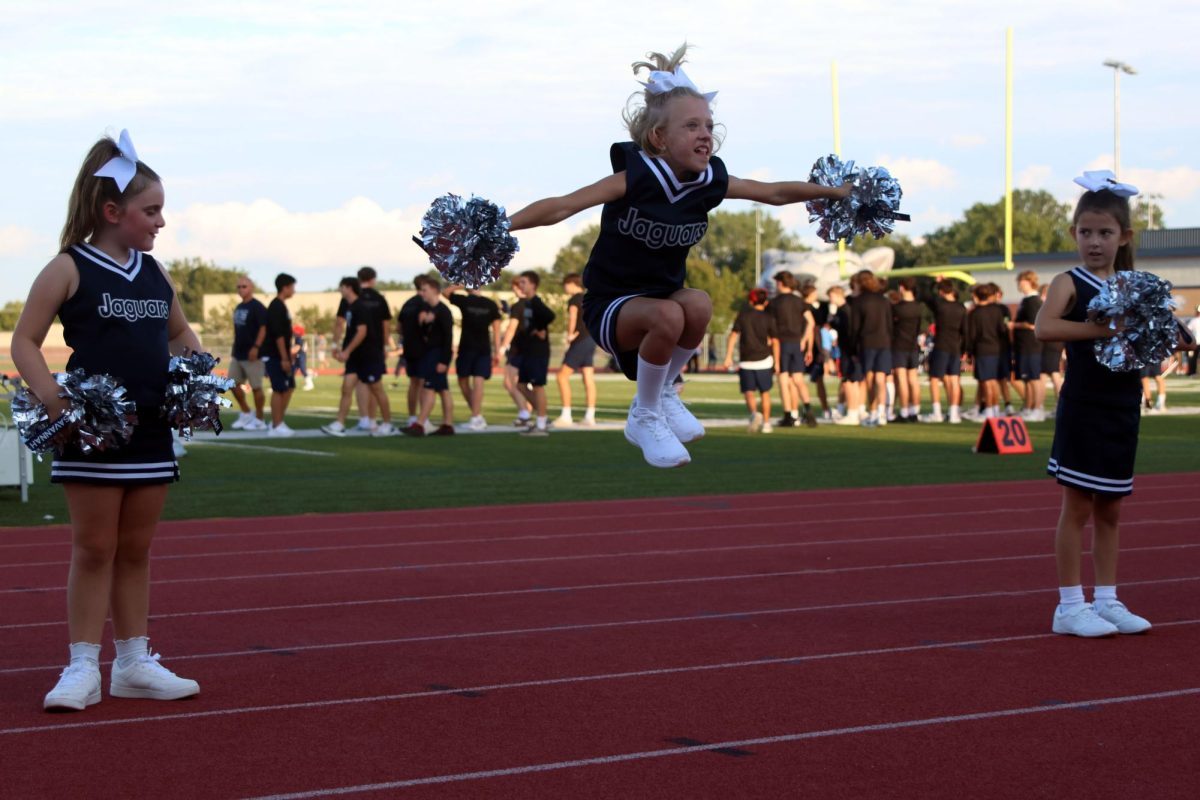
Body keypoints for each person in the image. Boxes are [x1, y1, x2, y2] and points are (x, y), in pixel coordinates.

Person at [503, 44, 849, 466]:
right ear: (659, 137)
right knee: (669, 315)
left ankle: (663, 391)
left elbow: (774, 192)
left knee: (698, 303)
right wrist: (501, 226)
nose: (705, 133)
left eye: (708, 124)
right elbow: (562, 206)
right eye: (691, 126)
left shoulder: (709, 181)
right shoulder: (635, 178)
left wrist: (834, 193)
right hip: (611, 305)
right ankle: (645, 415)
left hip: (662, 299)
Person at [10, 131, 201, 710]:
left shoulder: (154, 272)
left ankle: (134, 663)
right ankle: (81, 667)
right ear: (111, 211)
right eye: (151, 211)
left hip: (149, 430)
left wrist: (193, 380)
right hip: (92, 433)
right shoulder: (69, 268)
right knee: (94, 547)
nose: (160, 221)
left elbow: (181, 335)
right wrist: (54, 402)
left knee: (137, 549)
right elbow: (24, 342)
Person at [1035, 173, 1195, 638]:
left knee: (1111, 509)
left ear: (1124, 236)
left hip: (1123, 407)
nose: (1094, 242)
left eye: (1105, 233)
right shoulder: (1070, 282)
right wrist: (1110, 331)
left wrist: (1168, 336)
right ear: (1074, 234)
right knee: (1077, 507)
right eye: (1085, 232)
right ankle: (1069, 606)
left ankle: (1106, 600)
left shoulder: (1138, 286)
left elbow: (1178, 338)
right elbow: (1046, 328)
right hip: (1084, 405)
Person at [321, 277, 394, 437]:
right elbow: (344, 327)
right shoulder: (350, 306)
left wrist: (346, 351)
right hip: (356, 356)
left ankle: (388, 423)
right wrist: (340, 347)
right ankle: (339, 423)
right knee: (346, 387)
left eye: (341, 287)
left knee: (376, 388)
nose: (340, 290)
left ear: (348, 288)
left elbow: (362, 332)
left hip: (369, 354)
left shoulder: (360, 307)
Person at [445, 282, 503, 431]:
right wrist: (461, 284)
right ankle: (477, 416)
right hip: (466, 347)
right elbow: (445, 293)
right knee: (462, 381)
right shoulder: (464, 300)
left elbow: (496, 328)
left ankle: (475, 417)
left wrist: (498, 351)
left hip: (482, 349)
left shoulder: (490, 304)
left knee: (478, 381)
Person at [402, 275, 456, 436]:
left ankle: (419, 424)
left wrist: (444, 360)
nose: (422, 293)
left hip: (438, 353)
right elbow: (427, 334)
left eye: (425, 290)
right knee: (442, 389)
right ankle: (447, 424)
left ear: (433, 290)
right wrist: (424, 323)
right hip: (431, 352)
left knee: (429, 387)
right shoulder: (430, 311)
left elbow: (448, 337)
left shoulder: (443, 311)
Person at [724, 289, 778, 432]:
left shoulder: (743, 316)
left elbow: (733, 335)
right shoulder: (769, 317)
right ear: (765, 301)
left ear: (750, 301)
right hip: (765, 359)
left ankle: (755, 414)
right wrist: (777, 361)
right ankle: (766, 423)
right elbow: (775, 341)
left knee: (749, 392)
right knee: (765, 392)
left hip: (746, 360)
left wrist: (728, 356)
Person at [768, 271, 817, 428]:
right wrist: (803, 340)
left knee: (783, 379)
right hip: (796, 343)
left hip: (781, 343)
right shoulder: (799, 301)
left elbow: (769, 326)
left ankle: (788, 415)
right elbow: (811, 322)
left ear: (781, 283)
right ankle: (808, 411)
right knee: (798, 379)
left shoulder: (774, 303)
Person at [511, 270, 556, 437]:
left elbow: (550, 315)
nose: (521, 285)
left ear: (533, 285)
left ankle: (542, 424)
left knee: (537, 386)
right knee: (521, 385)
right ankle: (541, 415)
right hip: (528, 351)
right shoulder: (528, 303)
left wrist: (539, 329)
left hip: (538, 351)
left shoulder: (536, 302)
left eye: (524, 282)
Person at [921, 278, 968, 423]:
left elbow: (926, 295)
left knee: (935, 379)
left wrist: (935, 282)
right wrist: (964, 350)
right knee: (954, 379)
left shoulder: (940, 305)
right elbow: (965, 331)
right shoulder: (961, 308)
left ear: (941, 292)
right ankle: (954, 413)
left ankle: (937, 413)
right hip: (955, 347)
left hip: (941, 345)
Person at [555, 273, 599, 427]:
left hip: (579, 339)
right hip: (591, 339)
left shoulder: (574, 299)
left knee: (561, 377)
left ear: (571, 284)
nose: (565, 288)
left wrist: (570, 335)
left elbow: (573, 318)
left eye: (565, 285)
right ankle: (590, 416)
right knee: (588, 378)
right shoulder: (588, 297)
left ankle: (566, 415)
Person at [851, 270, 892, 427]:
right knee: (881, 379)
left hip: (867, 342)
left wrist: (854, 348)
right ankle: (881, 412)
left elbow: (855, 327)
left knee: (869, 379)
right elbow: (889, 324)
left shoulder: (859, 301)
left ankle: (873, 411)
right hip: (884, 342)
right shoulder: (884, 300)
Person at [228, 276, 269, 430]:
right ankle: (246, 412)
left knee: (256, 387)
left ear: (251, 287)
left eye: (244, 286)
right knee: (231, 383)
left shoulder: (257, 307)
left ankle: (259, 419)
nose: (241, 289)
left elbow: (263, 328)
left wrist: (256, 347)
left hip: (253, 354)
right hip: (238, 353)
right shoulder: (238, 307)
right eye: (238, 287)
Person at [964, 282, 1009, 419]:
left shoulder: (975, 313)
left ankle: (989, 411)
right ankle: (994, 409)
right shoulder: (996, 310)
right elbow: (1002, 330)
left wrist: (969, 352)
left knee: (986, 382)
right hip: (997, 349)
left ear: (977, 296)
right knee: (993, 381)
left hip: (983, 350)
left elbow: (971, 335)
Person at [262, 273, 298, 436]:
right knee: (279, 389)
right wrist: (284, 357)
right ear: (285, 287)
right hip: (275, 355)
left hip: (282, 354)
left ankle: (278, 421)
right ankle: (276, 426)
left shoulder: (282, 306)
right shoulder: (276, 306)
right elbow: (278, 335)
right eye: (292, 287)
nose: (294, 290)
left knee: (289, 387)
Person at [396, 277, 431, 427]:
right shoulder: (424, 303)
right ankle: (423, 418)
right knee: (424, 383)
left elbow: (398, 328)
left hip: (409, 347)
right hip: (422, 348)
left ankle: (412, 416)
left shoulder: (407, 303)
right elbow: (424, 323)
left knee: (413, 383)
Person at [499, 276, 533, 427]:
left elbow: (512, 328)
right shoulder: (532, 304)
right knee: (519, 384)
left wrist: (502, 346)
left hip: (518, 348)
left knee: (510, 383)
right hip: (528, 348)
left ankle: (525, 413)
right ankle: (528, 411)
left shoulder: (519, 305)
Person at [1011, 271, 1045, 421]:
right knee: (1026, 379)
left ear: (1030, 282)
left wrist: (1014, 324)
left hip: (1031, 345)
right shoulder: (1026, 300)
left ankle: (1037, 409)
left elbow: (1032, 324)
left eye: (1022, 281)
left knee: (1033, 378)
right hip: (1023, 345)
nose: (1019, 284)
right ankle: (1029, 407)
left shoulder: (1033, 300)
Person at [890, 277, 923, 423]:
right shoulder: (917, 307)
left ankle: (904, 411)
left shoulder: (897, 308)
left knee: (902, 379)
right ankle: (914, 411)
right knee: (913, 379)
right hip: (912, 345)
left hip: (899, 346)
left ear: (902, 287)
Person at [291, 323, 313, 391]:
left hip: (301, 356)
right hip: (298, 356)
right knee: (292, 371)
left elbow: (297, 348)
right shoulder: (298, 338)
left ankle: (310, 384)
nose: (293, 332)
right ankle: (290, 384)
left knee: (303, 369)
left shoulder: (299, 339)